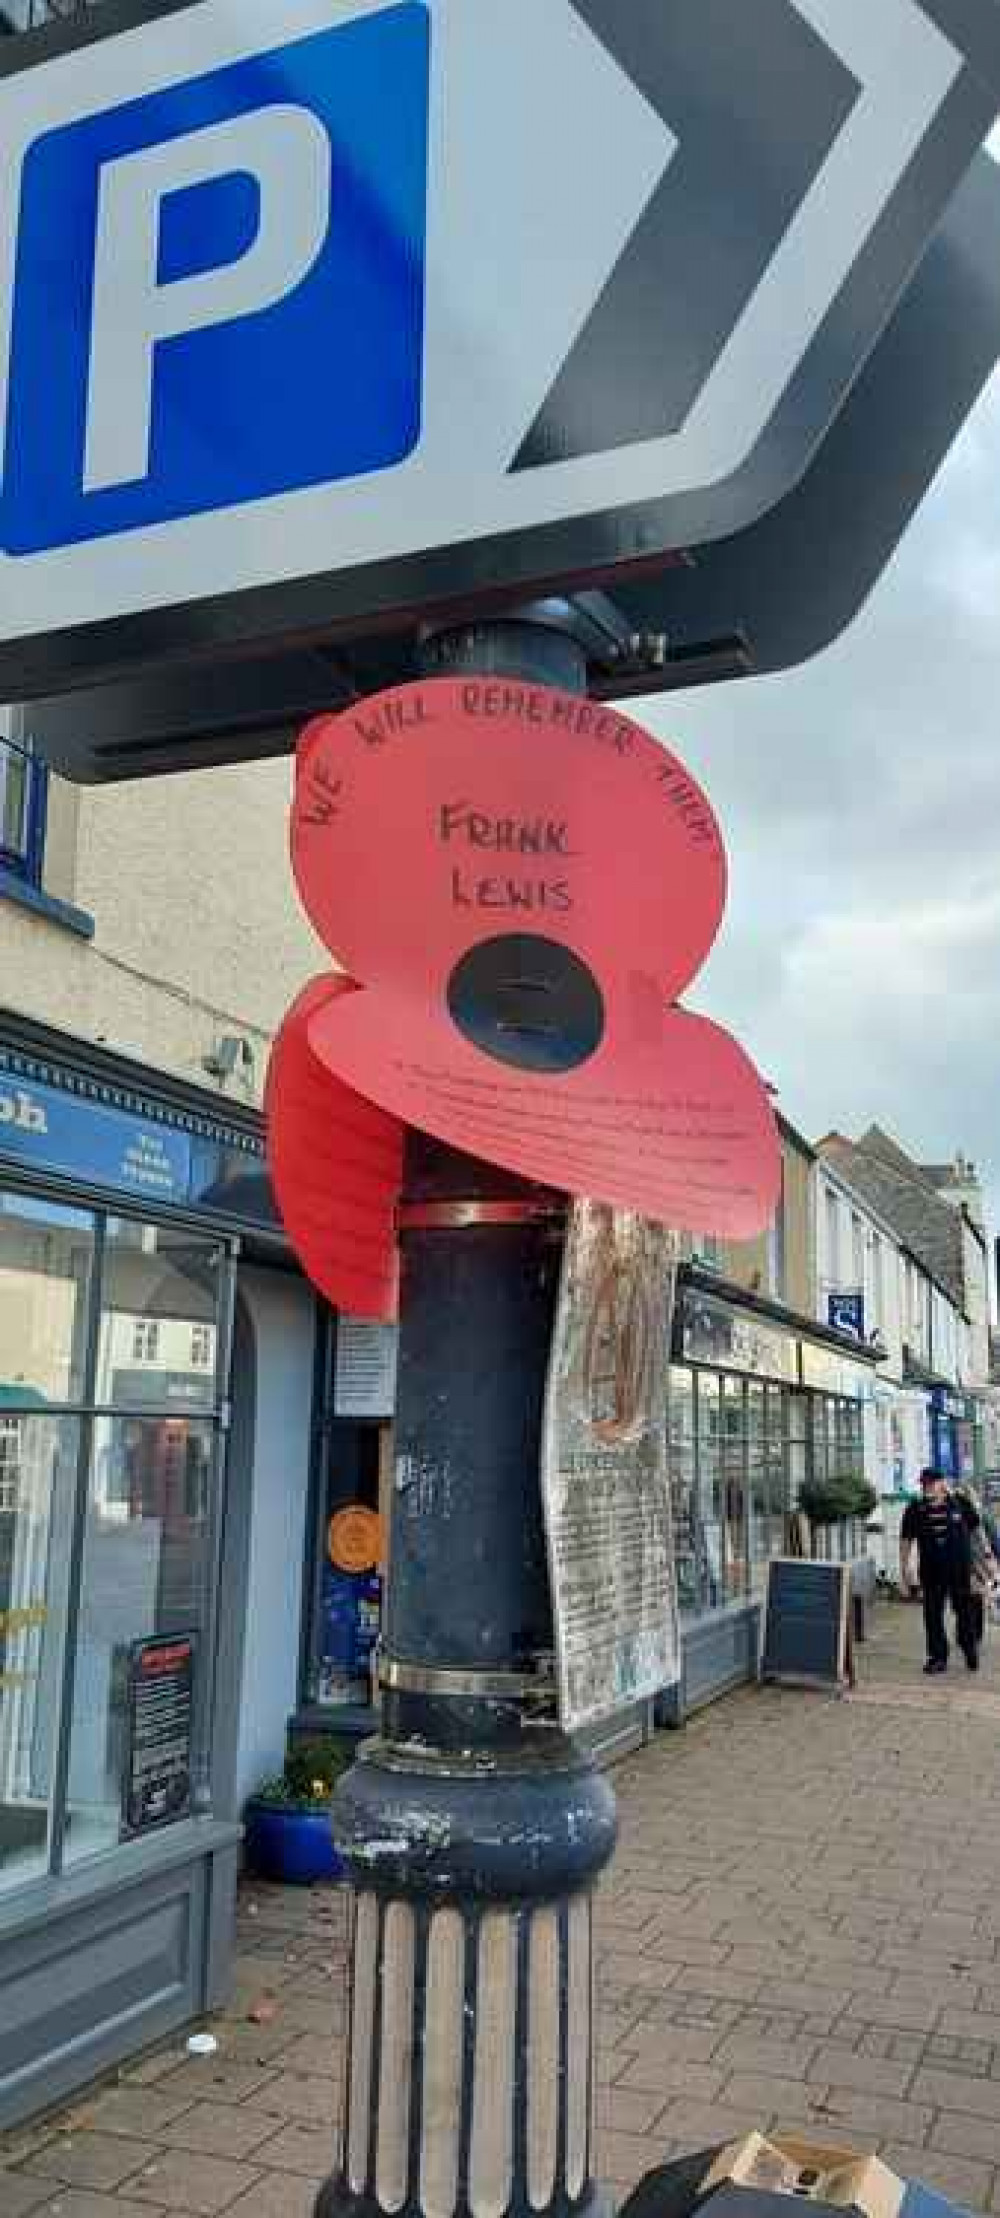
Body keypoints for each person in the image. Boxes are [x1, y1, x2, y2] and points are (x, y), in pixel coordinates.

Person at [900, 1467, 980, 1674]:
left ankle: (969, 1647)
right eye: (924, 1484)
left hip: (959, 1568)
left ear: (942, 1483)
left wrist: (985, 1559)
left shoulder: (960, 1503)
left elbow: (976, 1530)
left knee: (964, 1610)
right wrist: (905, 1567)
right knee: (932, 1614)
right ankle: (938, 1657)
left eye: (931, 1483)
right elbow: (906, 1539)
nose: (927, 1488)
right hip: (931, 1569)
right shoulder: (915, 1508)